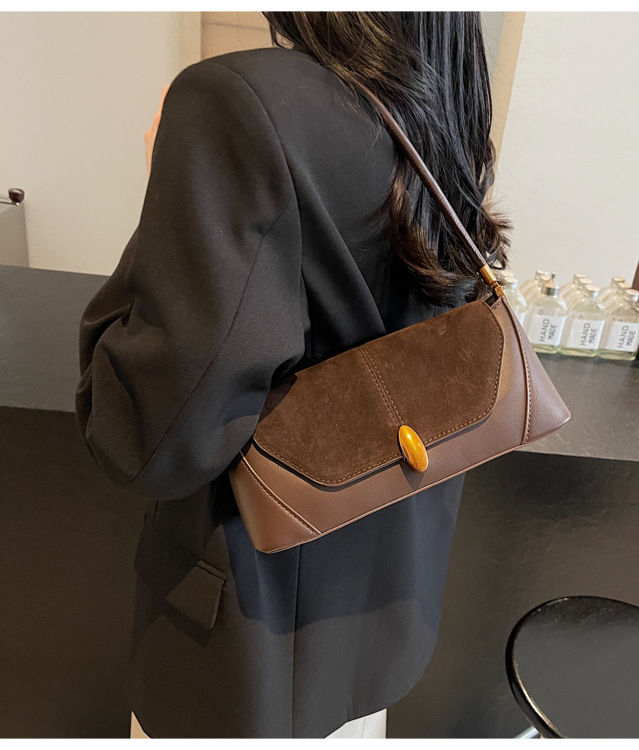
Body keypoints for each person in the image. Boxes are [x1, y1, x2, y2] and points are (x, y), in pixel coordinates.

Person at [74, 11, 510, 739]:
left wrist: (169, 209)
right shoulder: (444, 97)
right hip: (380, 628)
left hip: (251, 651)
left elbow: (145, 436)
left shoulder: (233, 99)